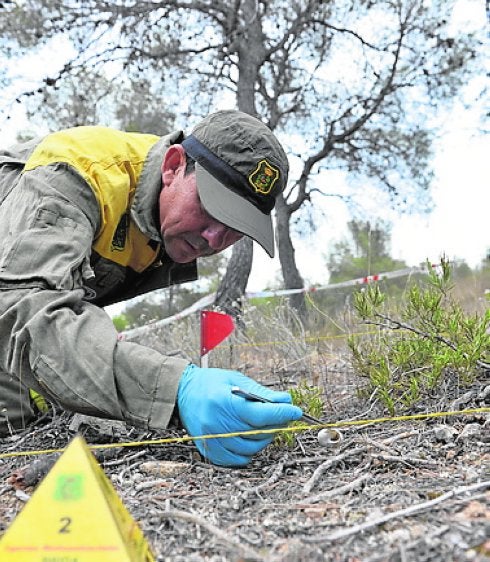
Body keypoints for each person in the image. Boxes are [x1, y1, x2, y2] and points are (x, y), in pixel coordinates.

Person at [0, 110, 303, 466]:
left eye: (236, 227)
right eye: (212, 209)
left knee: (19, 428)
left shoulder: (163, 216)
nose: (214, 238)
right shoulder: (74, 178)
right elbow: (24, 312)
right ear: (173, 166)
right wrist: (175, 387)